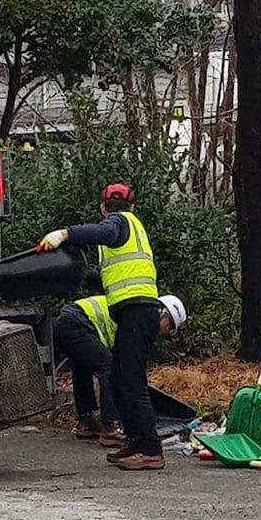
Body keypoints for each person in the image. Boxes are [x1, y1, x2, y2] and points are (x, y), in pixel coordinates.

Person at [38, 183, 167, 471]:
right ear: (132, 205)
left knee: (131, 382)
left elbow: (105, 233)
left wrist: (65, 234)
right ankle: (136, 441)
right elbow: (109, 276)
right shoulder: (133, 227)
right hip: (137, 311)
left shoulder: (118, 223)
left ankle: (150, 448)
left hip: (137, 310)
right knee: (121, 378)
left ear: (103, 208)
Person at [55, 293, 187, 449]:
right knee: (109, 368)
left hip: (67, 321)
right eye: (169, 326)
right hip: (76, 322)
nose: (166, 332)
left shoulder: (132, 309)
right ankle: (110, 427)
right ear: (163, 314)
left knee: (82, 365)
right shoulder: (139, 318)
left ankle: (86, 422)